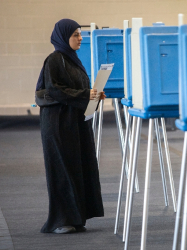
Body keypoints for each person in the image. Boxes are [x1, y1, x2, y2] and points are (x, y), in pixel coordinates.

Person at [37, 19, 105, 234]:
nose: (80, 38)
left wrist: (94, 96)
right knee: (63, 169)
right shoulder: (55, 59)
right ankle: (60, 220)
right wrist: (86, 94)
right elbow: (55, 90)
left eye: (80, 34)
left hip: (73, 122)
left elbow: (77, 90)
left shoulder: (73, 60)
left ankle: (75, 217)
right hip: (58, 124)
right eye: (75, 34)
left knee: (78, 166)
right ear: (63, 37)